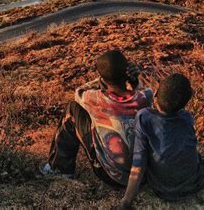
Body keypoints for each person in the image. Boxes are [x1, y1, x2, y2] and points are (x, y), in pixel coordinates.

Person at [42, 50, 153, 187]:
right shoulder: (146, 97)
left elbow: (78, 92)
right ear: (127, 72)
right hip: (143, 174)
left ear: (103, 79)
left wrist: (101, 78)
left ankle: (59, 168)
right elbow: (142, 91)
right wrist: (134, 80)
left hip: (111, 176)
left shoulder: (95, 99)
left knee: (72, 109)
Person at [120, 73, 204, 208]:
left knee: (138, 141)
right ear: (185, 103)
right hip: (195, 183)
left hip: (163, 190)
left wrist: (126, 201)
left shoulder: (144, 117)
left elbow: (138, 167)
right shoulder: (187, 117)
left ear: (155, 94)